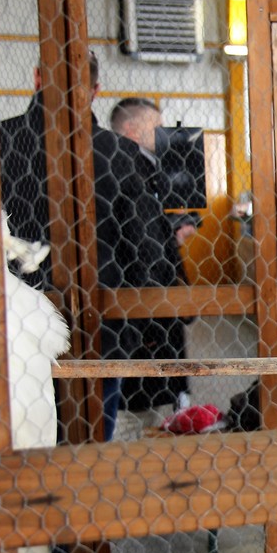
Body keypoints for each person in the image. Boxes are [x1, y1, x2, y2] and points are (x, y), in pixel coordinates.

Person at [0, 52, 146, 553]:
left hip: (15, 335)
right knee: (85, 460)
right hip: (93, 338)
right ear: (94, 89)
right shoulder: (117, 154)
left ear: (36, 78)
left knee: (25, 449)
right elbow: (143, 256)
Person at [109, 97, 195, 421]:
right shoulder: (129, 169)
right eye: (156, 127)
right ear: (131, 130)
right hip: (146, 290)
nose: (162, 135)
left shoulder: (143, 166)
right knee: (149, 386)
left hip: (153, 285)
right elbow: (137, 235)